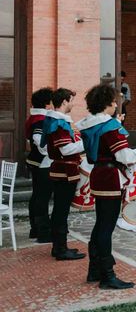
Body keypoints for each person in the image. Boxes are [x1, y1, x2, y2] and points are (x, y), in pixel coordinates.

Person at [77, 84, 136, 289]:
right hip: (110, 176)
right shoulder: (109, 126)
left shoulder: (87, 125)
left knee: (100, 224)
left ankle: (94, 270)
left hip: (98, 174)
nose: (115, 105)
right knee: (106, 227)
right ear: (107, 104)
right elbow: (124, 156)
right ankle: (107, 276)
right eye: (113, 102)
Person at [41, 88, 86, 260]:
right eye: (71, 101)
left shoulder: (56, 121)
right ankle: (60, 249)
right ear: (65, 102)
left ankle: (60, 246)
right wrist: (87, 145)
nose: (73, 104)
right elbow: (66, 149)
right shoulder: (58, 123)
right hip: (64, 171)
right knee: (61, 210)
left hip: (63, 169)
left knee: (61, 209)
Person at [25, 87, 54, 243]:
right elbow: (40, 142)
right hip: (43, 162)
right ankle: (43, 232)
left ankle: (35, 229)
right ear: (47, 103)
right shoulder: (40, 120)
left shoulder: (34, 118)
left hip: (35, 161)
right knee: (42, 198)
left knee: (37, 196)